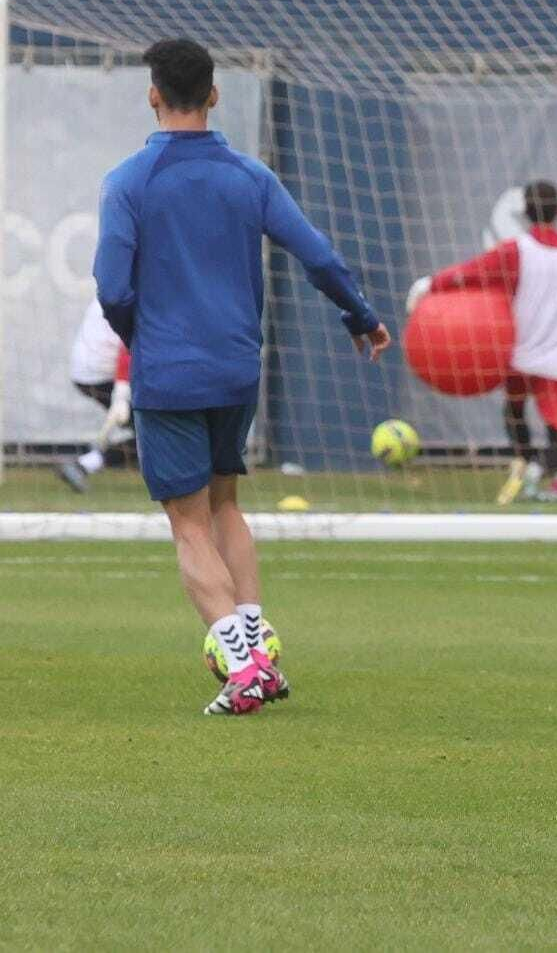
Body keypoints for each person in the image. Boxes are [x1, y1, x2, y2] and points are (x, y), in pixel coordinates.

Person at [94, 38, 390, 716]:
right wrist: (361, 316)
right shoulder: (248, 176)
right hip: (236, 366)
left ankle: (245, 663)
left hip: (169, 371)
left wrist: (142, 336)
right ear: (216, 94)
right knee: (225, 503)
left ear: (152, 95)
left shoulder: (129, 182)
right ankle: (259, 645)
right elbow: (317, 254)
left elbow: (112, 285)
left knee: (187, 521)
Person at [407, 182, 557, 504]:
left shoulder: (516, 249)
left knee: (515, 410)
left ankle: (530, 462)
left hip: (524, 350)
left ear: (525, 212)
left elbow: (472, 272)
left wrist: (430, 284)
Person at [56, 299, 135, 493]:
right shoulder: (137, 289)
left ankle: (86, 463)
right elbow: (129, 345)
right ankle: (84, 464)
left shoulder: (113, 282)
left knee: (153, 431)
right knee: (155, 431)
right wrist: (121, 394)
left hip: (86, 371)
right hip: (102, 374)